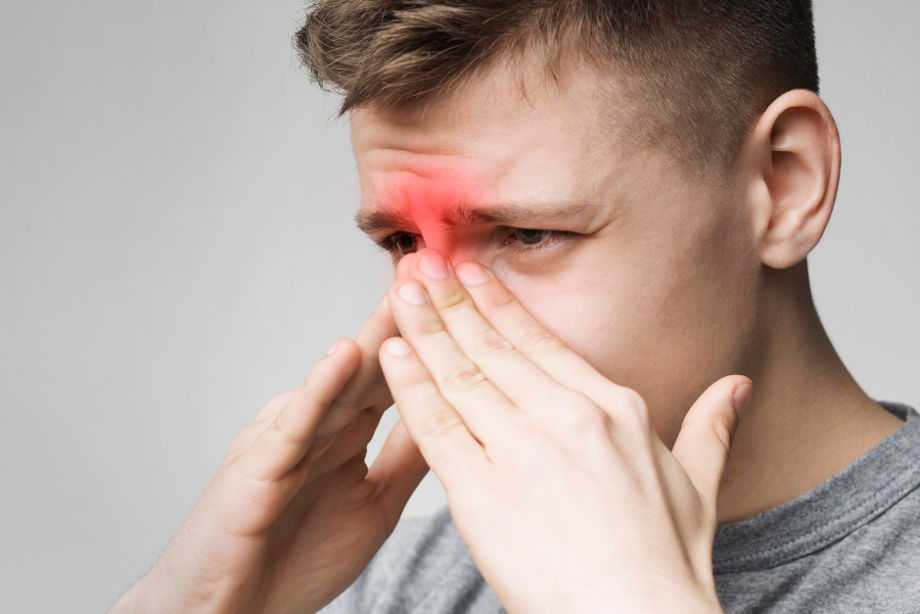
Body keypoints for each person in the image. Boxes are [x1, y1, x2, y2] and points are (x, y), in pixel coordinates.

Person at [109, 1, 920, 612]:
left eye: (528, 234)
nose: (428, 324)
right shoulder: (411, 581)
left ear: (784, 186)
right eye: (401, 244)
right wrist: (192, 601)